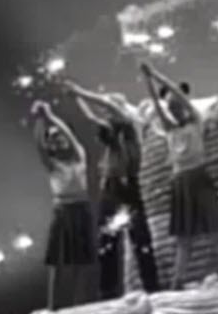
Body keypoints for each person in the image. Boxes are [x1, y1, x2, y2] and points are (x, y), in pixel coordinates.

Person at [141, 62, 218, 288]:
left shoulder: (196, 119)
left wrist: (155, 74)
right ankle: (177, 282)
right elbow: (156, 104)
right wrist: (148, 81)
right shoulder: (169, 128)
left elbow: (178, 95)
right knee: (184, 239)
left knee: (216, 231)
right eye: (172, 107)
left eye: (178, 105)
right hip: (181, 183)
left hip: (199, 179)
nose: (175, 109)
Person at [67, 81, 160, 297]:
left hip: (129, 185)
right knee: (107, 238)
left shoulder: (129, 126)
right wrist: (77, 99)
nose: (105, 115)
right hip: (111, 185)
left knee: (140, 237)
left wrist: (81, 91)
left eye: (109, 110)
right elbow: (91, 118)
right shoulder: (112, 132)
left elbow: (108, 107)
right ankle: (108, 290)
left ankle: (151, 286)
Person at [30, 101, 95, 310]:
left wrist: (51, 117)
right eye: (54, 139)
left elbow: (71, 137)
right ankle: (53, 306)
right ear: (51, 145)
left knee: (81, 260)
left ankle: (79, 305)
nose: (59, 140)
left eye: (60, 137)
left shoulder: (78, 157)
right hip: (63, 210)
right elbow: (39, 146)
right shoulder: (53, 165)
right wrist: (40, 121)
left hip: (81, 209)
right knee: (56, 261)